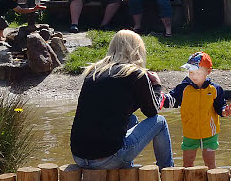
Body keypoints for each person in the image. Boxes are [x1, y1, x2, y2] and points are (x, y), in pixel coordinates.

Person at [69, 30, 174, 170]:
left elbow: (112, 106)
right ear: (137, 51)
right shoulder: (135, 74)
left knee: (132, 119)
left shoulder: (94, 72)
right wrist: (156, 86)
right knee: (160, 122)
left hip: (79, 157)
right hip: (108, 159)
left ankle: (126, 171)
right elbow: (152, 111)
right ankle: (167, 172)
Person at [163, 51, 231, 169]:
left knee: (210, 164)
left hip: (210, 133)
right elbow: (172, 99)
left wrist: (224, 111)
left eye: (198, 72)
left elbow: (220, 106)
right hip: (190, 132)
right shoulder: (184, 88)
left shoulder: (215, 89)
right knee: (188, 163)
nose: (193, 76)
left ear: (208, 72)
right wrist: (161, 99)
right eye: (191, 72)